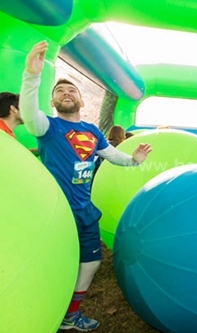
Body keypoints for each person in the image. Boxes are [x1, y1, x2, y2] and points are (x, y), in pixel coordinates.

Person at [20, 40, 152, 332]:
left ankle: (71, 315)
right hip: (55, 211)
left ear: (80, 100)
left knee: (91, 263)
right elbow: (29, 115)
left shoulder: (92, 131)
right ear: (53, 103)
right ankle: (43, 308)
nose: (66, 93)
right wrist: (31, 76)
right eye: (59, 91)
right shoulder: (48, 127)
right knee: (53, 262)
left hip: (84, 210)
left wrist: (134, 159)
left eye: (72, 90)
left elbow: (111, 155)